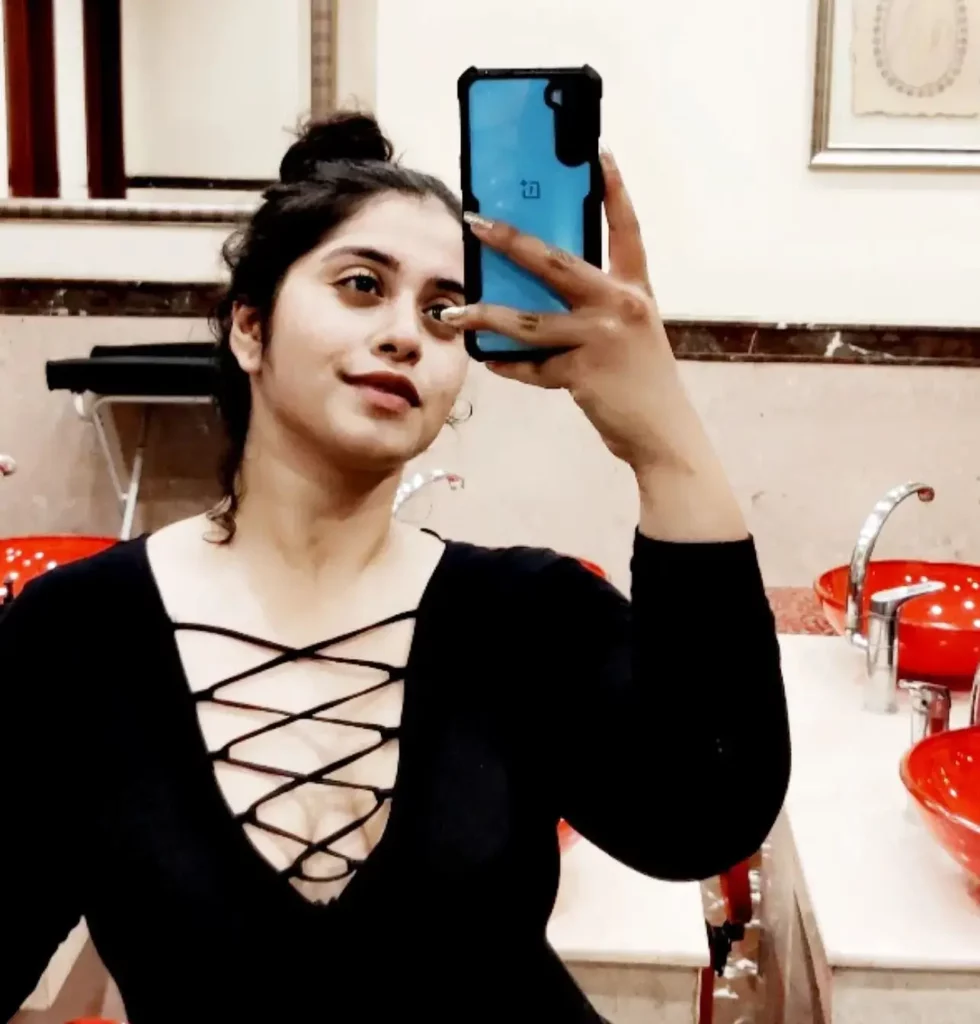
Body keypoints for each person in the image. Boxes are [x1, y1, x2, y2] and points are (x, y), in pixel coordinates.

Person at [1, 113, 790, 1024]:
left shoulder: (526, 617)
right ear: (250, 328)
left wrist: (664, 441)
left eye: (443, 312)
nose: (406, 335)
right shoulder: (75, 636)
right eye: (362, 286)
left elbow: (707, 812)